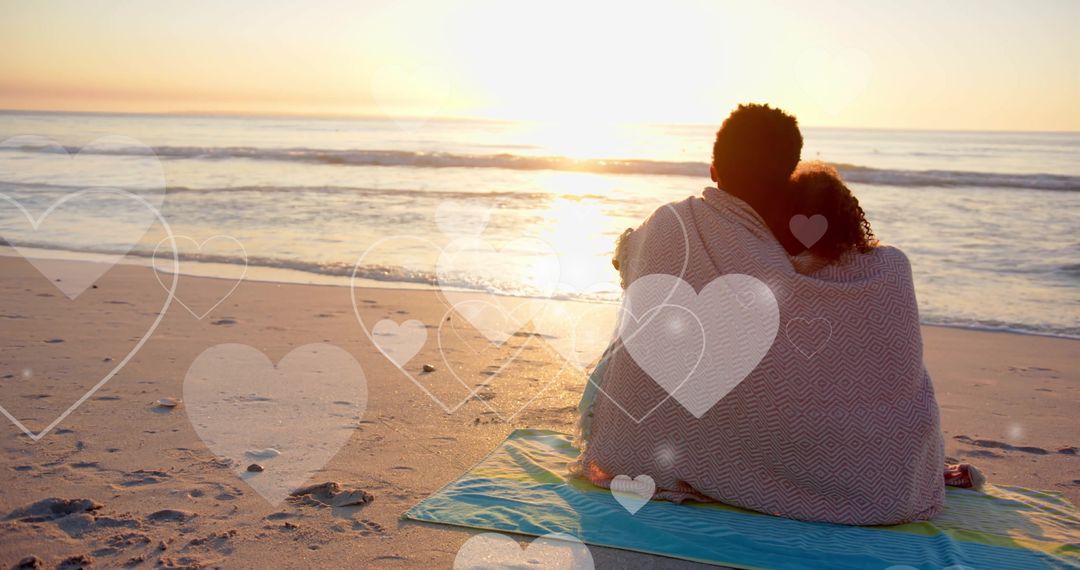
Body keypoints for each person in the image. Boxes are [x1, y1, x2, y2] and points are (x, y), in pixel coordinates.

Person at [576, 104, 949, 525]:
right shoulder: (886, 270)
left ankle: (681, 445)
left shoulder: (669, 224)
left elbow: (627, 266)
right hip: (887, 482)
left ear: (714, 170)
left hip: (647, 449)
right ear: (788, 174)